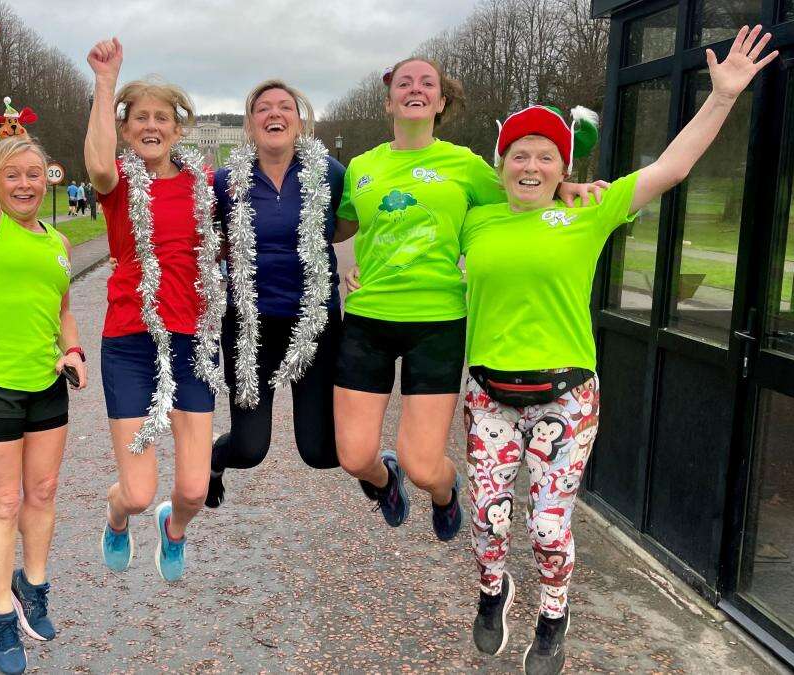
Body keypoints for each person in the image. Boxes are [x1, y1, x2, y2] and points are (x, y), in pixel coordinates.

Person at [459, 26, 775, 675]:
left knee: (547, 526)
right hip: (487, 392)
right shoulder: (477, 217)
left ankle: (553, 615)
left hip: (566, 394)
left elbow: (672, 168)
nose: (530, 166)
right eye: (518, 154)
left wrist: (721, 98)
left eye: (546, 156)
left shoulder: (589, 212)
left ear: (565, 167)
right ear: (500, 164)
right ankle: (494, 593)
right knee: (488, 522)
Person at [333, 56, 604, 540]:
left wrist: (565, 186)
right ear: (388, 99)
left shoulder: (465, 165)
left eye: (427, 84)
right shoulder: (362, 166)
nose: (414, 89)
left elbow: (521, 191)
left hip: (437, 322)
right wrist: (354, 265)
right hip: (368, 318)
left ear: (440, 102)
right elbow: (349, 227)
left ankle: (445, 491)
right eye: (404, 83)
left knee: (423, 465)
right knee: (354, 457)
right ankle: (383, 479)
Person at [0, 7, 86, 674]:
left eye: (36, 174)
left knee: (45, 491)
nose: (27, 183)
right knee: (3, 499)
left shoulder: (58, 242)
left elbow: (61, 307)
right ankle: (0, 610)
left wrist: (73, 349)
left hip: (45, 380)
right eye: (15, 176)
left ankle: (35, 584)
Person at [85, 37, 225, 583]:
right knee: (139, 492)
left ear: (177, 127)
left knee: (191, 489)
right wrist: (105, 81)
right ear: (126, 129)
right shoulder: (119, 183)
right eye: (139, 117)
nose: (151, 125)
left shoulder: (203, 186)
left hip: (191, 339)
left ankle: (176, 530)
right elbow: (96, 162)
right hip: (130, 339)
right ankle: (117, 518)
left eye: (161, 117)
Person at [205, 79, 344, 508]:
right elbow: (201, 239)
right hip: (251, 326)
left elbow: (362, 223)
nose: (274, 114)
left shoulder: (331, 174)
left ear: (299, 121)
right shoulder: (226, 181)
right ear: (250, 124)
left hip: (314, 322)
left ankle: (382, 468)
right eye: (263, 108)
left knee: (320, 453)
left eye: (285, 107)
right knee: (249, 449)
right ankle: (213, 460)